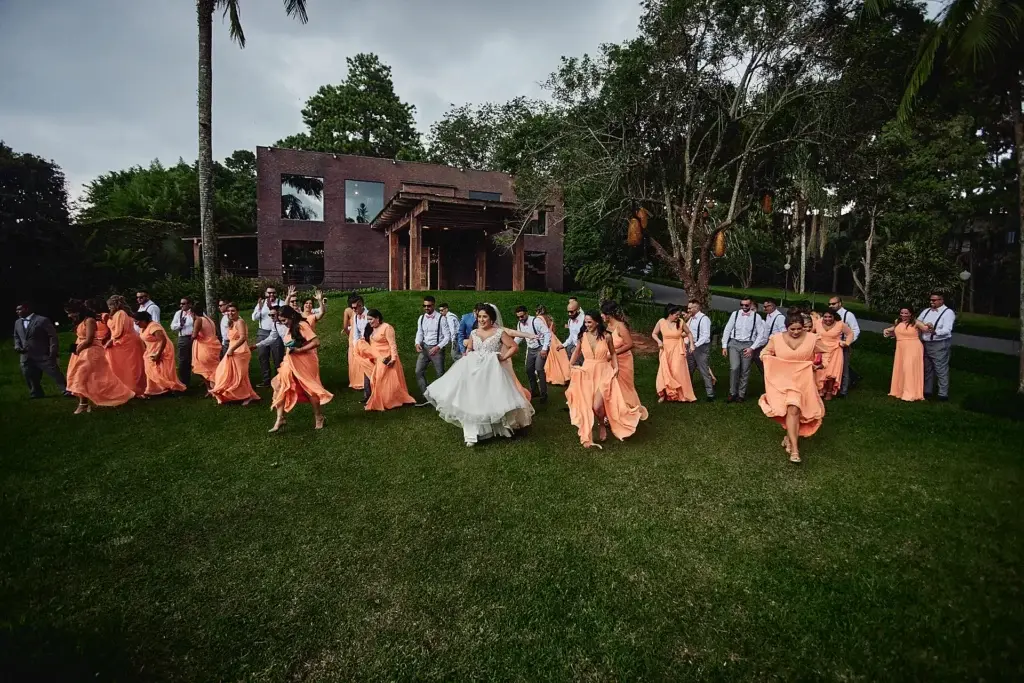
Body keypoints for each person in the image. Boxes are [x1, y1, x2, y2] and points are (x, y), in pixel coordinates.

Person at [424, 303, 534, 447]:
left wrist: (503, 357)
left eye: (485, 317)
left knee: (490, 398)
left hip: (492, 369)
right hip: (473, 368)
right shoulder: (474, 332)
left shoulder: (499, 332)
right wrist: (467, 354)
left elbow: (514, 346)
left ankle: (495, 427)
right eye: (480, 317)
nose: (481, 320)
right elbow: (470, 347)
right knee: (471, 398)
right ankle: (471, 434)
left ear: (491, 318)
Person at [566, 313, 646, 448]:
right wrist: (570, 365)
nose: (587, 325)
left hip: (604, 372)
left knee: (597, 406)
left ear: (597, 322)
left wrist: (616, 367)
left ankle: (602, 425)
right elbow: (577, 352)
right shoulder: (582, 336)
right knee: (588, 405)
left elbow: (613, 353)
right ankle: (600, 421)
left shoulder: (607, 336)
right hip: (587, 373)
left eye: (589, 322)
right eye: (585, 322)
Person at [758, 312, 828, 464]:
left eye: (799, 329)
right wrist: (769, 360)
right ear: (786, 328)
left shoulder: (812, 339)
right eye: (792, 329)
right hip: (782, 381)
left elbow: (825, 353)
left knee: (795, 410)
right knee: (791, 410)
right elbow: (764, 353)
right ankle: (791, 443)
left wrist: (820, 365)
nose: (796, 332)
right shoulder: (776, 339)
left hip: (802, 381)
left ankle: (793, 447)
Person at [268, 305, 332, 431]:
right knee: (279, 385)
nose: (283, 323)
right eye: (281, 321)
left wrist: (299, 350)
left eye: (284, 320)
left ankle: (319, 417)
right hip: (290, 362)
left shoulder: (302, 325)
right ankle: (280, 418)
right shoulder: (290, 327)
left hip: (305, 361)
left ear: (291, 316)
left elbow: (316, 342)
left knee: (309, 390)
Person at [64, 300, 134, 414]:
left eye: (70, 313)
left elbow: (89, 339)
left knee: (82, 376)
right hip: (81, 350)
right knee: (82, 377)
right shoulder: (81, 321)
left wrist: (78, 349)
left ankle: (85, 404)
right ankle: (84, 403)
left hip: (90, 351)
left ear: (77, 311)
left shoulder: (89, 321)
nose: (69, 316)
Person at [355, 309, 416, 411]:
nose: (369, 322)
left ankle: (392, 400)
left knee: (386, 380)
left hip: (387, 358)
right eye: (368, 319)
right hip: (378, 359)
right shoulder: (371, 328)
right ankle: (384, 399)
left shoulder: (387, 327)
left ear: (377, 318)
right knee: (379, 380)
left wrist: (393, 358)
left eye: (371, 319)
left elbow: (392, 344)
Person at [601, 301, 649, 424]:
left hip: (623, 361)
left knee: (624, 388)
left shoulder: (620, 326)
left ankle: (628, 412)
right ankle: (612, 413)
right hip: (610, 362)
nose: (601, 315)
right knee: (611, 387)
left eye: (603, 313)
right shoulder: (607, 326)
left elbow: (630, 344)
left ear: (608, 314)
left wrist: (613, 353)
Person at [13, 302, 67, 399]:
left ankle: (66, 390)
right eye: (17, 310)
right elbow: (16, 336)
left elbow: (52, 336)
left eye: (19, 309)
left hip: (42, 353)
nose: (17, 311)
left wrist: (53, 350)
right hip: (25, 354)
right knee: (29, 374)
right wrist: (17, 346)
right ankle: (36, 392)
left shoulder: (42, 320)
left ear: (27, 309)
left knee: (54, 372)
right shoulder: (17, 322)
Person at [213, 302, 260, 405]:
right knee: (227, 372)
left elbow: (243, 338)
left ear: (238, 311)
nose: (230, 313)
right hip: (233, 350)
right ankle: (234, 394)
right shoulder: (232, 322)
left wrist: (232, 349)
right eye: (229, 311)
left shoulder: (240, 322)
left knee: (240, 375)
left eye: (233, 311)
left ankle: (248, 396)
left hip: (240, 351)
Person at [721, 296, 765, 403]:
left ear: (751, 305)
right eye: (742, 304)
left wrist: (752, 348)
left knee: (745, 370)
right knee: (734, 368)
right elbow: (727, 329)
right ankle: (732, 393)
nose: (744, 307)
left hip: (748, 344)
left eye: (746, 305)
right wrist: (724, 345)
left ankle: (741, 394)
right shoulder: (735, 314)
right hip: (734, 343)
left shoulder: (756, 317)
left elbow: (761, 334)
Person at [134, 310, 187, 397]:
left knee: (161, 371)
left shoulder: (154, 326)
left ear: (143, 320)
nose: (136, 324)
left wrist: (158, 354)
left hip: (162, 349)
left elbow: (163, 340)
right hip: (151, 350)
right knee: (150, 370)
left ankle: (172, 387)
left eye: (137, 321)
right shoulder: (143, 327)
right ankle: (153, 390)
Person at [651, 304, 697, 403]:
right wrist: (659, 341)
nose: (678, 316)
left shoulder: (680, 322)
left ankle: (679, 394)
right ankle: (664, 394)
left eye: (679, 314)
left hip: (678, 350)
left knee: (677, 371)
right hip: (665, 349)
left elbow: (689, 333)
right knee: (665, 371)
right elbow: (654, 333)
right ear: (670, 314)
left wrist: (692, 345)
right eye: (676, 314)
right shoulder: (661, 322)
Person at [104, 295, 147, 396]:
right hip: (119, 342)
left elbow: (120, 331)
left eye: (110, 305)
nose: (109, 307)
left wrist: (111, 340)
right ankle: (121, 388)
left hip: (126, 342)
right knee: (119, 366)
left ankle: (133, 388)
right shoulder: (115, 314)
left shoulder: (121, 313)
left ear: (115, 305)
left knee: (130, 367)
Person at [917, 291, 956, 401]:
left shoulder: (948, 313)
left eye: (934, 300)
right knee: (927, 368)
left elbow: (947, 330)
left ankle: (943, 394)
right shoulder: (926, 311)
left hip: (939, 344)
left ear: (941, 300)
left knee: (941, 369)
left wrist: (935, 332)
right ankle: (927, 391)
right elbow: (918, 321)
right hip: (925, 343)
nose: (931, 302)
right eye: (930, 300)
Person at [884, 306, 927, 402]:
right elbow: (896, 331)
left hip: (913, 347)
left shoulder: (915, 322)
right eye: (902, 313)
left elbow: (926, 329)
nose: (903, 315)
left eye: (906, 313)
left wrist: (930, 326)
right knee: (900, 368)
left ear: (911, 313)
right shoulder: (897, 321)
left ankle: (910, 393)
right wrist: (887, 331)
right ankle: (898, 391)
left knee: (909, 368)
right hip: (901, 348)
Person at [414, 295, 450, 404]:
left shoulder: (441, 318)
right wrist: (417, 343)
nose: (426, 308)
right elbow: (420, 332)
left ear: (433, 305)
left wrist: (438, 347)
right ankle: (427, 397)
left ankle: (442, 399)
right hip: (424, 348)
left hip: (437, 349)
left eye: (429, 306)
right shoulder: (421, 318)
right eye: (424, 306)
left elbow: (447, 336)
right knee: (418, 372)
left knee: (440, 374)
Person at [514, 305, 551, 403]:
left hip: (540, 347)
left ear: (526, 313)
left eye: (522, 316)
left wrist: (544, 349)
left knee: (539, 369)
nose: (520, 319)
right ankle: (535, 391)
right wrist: (513, 345)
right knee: (529, 369)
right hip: (531, 349)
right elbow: (519, 336)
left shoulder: (536, 321)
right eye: (518, 317)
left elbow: (547, 333)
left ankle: (544, 394)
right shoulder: (520, 324)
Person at [813, 310, 852, 400]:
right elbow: (811, 332)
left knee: (831, 373)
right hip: (820, 349)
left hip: (835, 350)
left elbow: (850, 333)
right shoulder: (818, 322)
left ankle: (829, 392)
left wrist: (846, 343)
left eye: (830, 317)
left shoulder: (840, 324)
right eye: (825, 317)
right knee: (819, 371)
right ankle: (820, 390)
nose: (827, 319)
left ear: (834, 316)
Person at [251, 285, 285, 387]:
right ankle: (266, 381)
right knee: (263, 357)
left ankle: (279, 380)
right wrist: (260, 308)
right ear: (266, 293)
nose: (271, 294)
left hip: (277, 333)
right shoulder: (262, 303)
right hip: (263, 332)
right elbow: (254, 318)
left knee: (278, 357)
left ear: (276, 293)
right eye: (269, 292)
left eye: (273, 292)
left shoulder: (281, 303)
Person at [828, 296, 860, 397]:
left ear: (840, 303)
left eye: (833, 304)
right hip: (832, 345)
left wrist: (847, 342)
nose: (831, 306)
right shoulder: (829, 315)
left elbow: (855, 330)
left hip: (843, 345)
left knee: (844, 368)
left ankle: (843, 391)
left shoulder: (848, 315)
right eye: (829, 304)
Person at [190, 302, 223, 394]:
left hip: (204, 347)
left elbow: (194, 335)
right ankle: (212, 387)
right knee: (212, 367)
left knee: (202, 368)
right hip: (213, 344)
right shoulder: (208, 319)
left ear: (193, 313)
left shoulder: (198, 320)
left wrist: (191, 337)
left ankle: (214, 388)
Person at [686, 301, 715, 401]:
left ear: (696, 308)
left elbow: (705, 336)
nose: (688, 310)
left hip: (701, 347)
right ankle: (688, 391)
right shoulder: (691, 318)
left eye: (690, 308)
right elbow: (688, 332)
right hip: (691, 346)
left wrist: (695, 345)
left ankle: (710, 394)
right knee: (688, 369)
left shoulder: (704, 319)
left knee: (704, 370)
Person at [537, 306, 571, 386]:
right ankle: (564, 376)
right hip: (554, 338)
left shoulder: (538, 319)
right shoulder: (550, 318)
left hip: (546, 338)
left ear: (538, 311)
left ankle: (551, 376)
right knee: (558, 358)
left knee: (550, 359)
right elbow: (554, 330)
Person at [344, 294, 371, 391]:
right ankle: (364, 385)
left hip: (370, 342)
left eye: (355, 308)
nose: (353, 310)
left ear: (361, 305)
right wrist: (356, 345)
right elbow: (356, 332)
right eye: (352, 308)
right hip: (361, 343)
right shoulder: (355, 316)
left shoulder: (369, 315)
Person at [752, 297, 785, 374]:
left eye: (767, 306)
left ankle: (768, 375)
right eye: (764, 306)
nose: (764, 308)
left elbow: (784, 332)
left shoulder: (780, 317)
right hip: (768, 342)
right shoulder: (768, 315)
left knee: (760, 358)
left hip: (775, 344)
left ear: (773, 306)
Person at [169, 296, 195, 387]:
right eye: (180, 304)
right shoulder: (178, 313)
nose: (181, 305)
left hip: (196, 338)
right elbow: (172, 327)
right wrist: (180, 324)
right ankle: (184, 382)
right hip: (183, 338)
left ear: (190, 304)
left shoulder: (195, 312)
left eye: (183, 303)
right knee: (183, 361)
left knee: (196, 359)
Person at [564, 297, 586, 366]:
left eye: (571, 312)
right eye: (568, 312)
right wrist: (563, 345)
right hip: (575, 346)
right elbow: (572, 335)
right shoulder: (570, 320)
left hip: (584, 348)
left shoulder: (584, 319)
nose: (569, 314)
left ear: (578, 309)